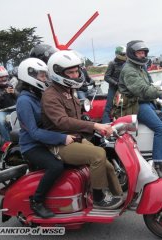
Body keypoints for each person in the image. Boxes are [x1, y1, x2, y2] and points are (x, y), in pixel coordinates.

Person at [42, 50, 124, 209]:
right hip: (60, 144)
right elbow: (62, 122)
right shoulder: (50, 95)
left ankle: (119, 194)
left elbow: (78, 117)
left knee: (106, 162)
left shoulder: (67, 91)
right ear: (58, 72)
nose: (75, 75)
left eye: (76, 71)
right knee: (98, 154)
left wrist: (100, 125)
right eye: (70, 72)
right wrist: (94, 126)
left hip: (74, 138)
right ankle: (99, 198)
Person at [116, 40, 162, 177]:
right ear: (132, 54)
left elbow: (151, 85)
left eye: (143, 53)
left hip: (147, 102)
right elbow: (143, 90)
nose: (142, 55)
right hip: (136, 105)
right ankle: (157, 164)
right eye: (139, 53)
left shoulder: (140, 67)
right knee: (161, 128)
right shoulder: (129, 70)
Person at [16, 58, 72, 218]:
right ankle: (37, 201)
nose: (45, 79)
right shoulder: (24, 101)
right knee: (56, 167)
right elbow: (33, 132)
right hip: (32, 146)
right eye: (41, 76)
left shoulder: (37, 95)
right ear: (29, 76)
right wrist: (62, 138)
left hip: (46, 140)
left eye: (44, 75)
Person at [0, 66, 18, 142]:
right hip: (0, 111)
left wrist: (14, 92)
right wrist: (4, 93)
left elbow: (19, 96)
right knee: (1, 122)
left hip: (13, 108)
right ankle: (8, 142)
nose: (4, 79)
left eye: (5, 77)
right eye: (1, 77)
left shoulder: (9, 84)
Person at [101, 46, 127, 123]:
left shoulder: (126, 64)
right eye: (123, 54)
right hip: (113, 88)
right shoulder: (112, 64)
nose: (125, 56)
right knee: (108, 107)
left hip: (123, 88)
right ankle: (105, 126)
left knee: (125, 106)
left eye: (126, 54)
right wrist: (116, 83)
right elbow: (106, 77)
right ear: (118, 54)